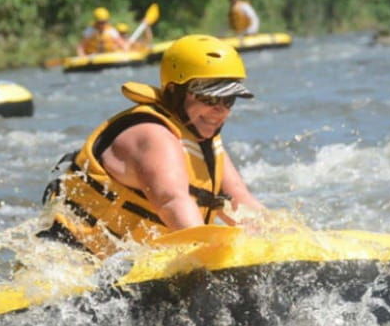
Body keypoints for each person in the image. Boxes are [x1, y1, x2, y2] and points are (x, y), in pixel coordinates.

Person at [41, 35, 265, 257]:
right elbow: (172, 202)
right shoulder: (153, 136)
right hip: (71, 265)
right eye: (210, 98)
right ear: (174, 92)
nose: (221, 110)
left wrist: (279, 238)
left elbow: (241, 202)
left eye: (229, 100)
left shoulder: (204, 142)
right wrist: (209, 258)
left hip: (122, 269)